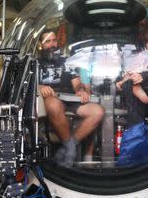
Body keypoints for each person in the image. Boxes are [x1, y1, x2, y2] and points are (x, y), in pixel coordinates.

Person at [37, 30, 104, 165]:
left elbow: (77, 84)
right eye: (48, 41)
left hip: (69, 99)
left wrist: (81, 91)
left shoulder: (68, 61)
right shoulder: (35, 63)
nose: (52, 45)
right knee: (53, 104)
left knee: (98, 111)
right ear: (40, 45)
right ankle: (70, 149)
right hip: (50, 100)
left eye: (54, 40)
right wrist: (39, 87)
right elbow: (26, 85)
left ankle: (67, 148)